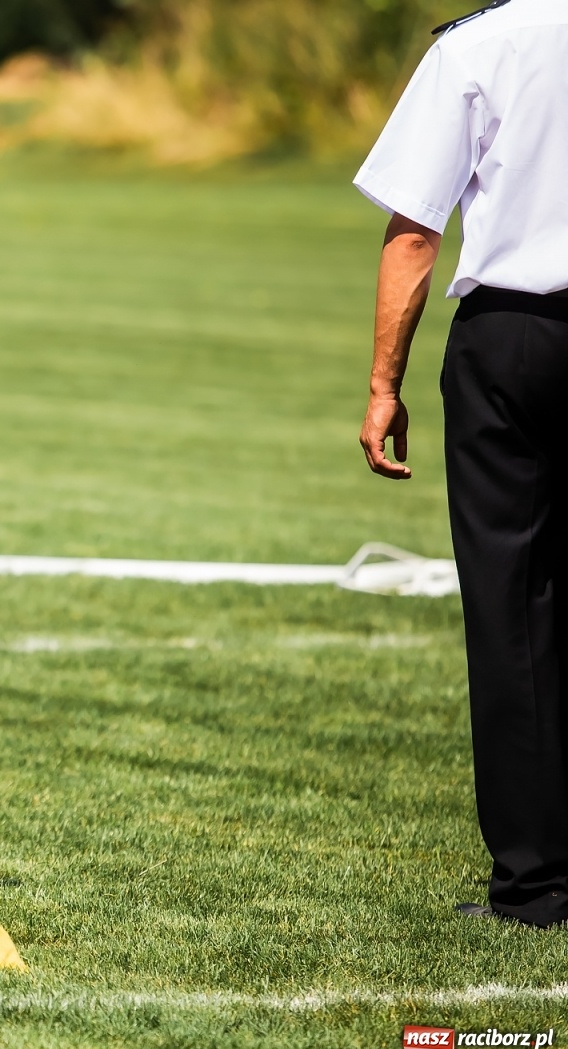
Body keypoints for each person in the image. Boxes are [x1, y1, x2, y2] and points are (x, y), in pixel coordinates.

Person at [355, 0, 568, 928]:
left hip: (513, 340)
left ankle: (535, 884)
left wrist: (382, 384)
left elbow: (415, 231)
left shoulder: (477, 44)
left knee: (512, 611)